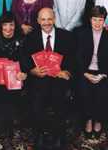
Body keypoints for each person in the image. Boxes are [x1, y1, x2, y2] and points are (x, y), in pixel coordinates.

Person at [22, 8, 75, 149]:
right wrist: (32, 71)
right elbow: (24, 59)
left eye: (49, 19)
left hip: (59, 77)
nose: (47, 23)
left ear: (54, 19)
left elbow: (73, 59)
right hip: (39, 77)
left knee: (59, 97)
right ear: (38, 21)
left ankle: (59, 135)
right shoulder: (30, 37)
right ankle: (39, 133)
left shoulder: (66, 36)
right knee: (38, 98)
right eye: (43, 19)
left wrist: (67, 72)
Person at [76, 6, 108, 139]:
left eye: (100, 20)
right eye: (94, 20)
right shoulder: (81, 34)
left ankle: (98, 120)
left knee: (103, 91)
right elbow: (77, 57)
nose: (97, 23)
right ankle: (88, 119)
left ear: (104, 21)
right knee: (84, 90)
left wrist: (102, 74)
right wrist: (85, 73)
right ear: (90, 20)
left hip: (102, 71)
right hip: (85, 70)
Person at [0, 12, 27, 138]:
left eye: (11, 25)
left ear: (15, 26)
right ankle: (2, 124)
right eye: (5, 25)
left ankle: (9, 125)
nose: (8, 28)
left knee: (11, 92)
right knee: (0, 91)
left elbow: (25, 62)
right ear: (0, 26)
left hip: (16, 78)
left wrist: (24, 73)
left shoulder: (22, 40)